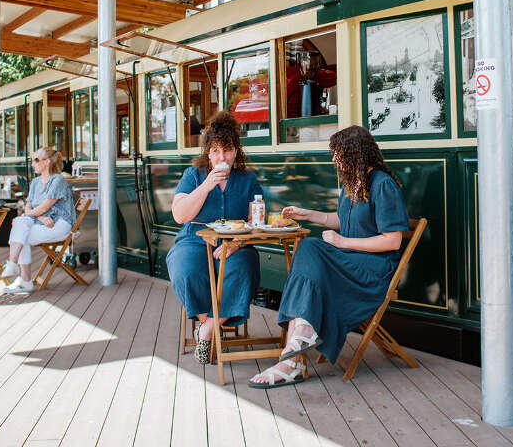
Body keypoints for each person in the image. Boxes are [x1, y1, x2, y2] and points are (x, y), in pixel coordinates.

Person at [249, 126, 408, 388]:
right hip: (349, 262)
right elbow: (341, 220)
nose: (334, 159)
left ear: (355, 153)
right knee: (308, 247)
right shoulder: (352, 184)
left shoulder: (382, 184)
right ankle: (297, 348)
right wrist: (307, 214)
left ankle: (295, 353)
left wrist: (343, 242)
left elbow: (392, 240)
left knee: (310, 247)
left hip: (371, 270)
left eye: (338, 153)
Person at [167, 111, 264, 364]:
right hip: (194, 238)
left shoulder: (247, 179)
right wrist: (206, 185)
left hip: (235, 242)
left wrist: (237, 243)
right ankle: (211, 323)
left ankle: (208, 330)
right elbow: (179, 215)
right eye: (216, 151)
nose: (222, 157)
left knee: (243, 267)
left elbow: (257, 222)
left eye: (228, 150)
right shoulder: (193, 176)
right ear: (207, 153)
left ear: (236, 151)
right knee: (185, 269)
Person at [1, 147, 76, 294]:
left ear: (47, 162)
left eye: (36, 160)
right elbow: (28, 209)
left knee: (21, 231)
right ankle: (16, 269)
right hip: (41, 222)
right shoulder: (35, 182)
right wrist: (39, 217)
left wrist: (32, 215)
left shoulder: (58, 180)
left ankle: (23, 278)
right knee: (21, 229)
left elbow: (44, 207)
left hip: (59, 224)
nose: (33, 164)